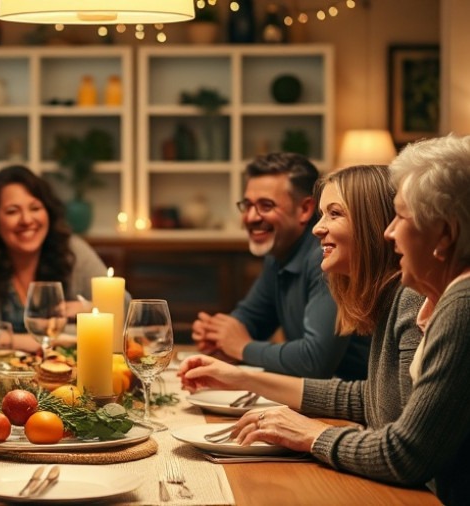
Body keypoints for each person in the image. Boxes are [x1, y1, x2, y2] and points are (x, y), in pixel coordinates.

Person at [184, 137, 470, 504]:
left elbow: (406, 454)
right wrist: (241, 376)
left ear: (443, 234)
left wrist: (311, 435)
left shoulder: (439, 300)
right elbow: (370, 397)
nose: (389, 232)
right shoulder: (403, 297)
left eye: (334, 214)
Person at [191, 152, 370, 380]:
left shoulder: (324, 256)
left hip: (353, 405)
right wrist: (217, 333)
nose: (251, 217)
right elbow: (252, 317)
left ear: (305, 210)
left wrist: (242, 347)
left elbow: (315, 361)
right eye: (247, 205)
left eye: (266, 206)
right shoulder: (278, 252)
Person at [0, 164, 125, 351]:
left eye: (35, 208)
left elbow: (123, 309)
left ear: (48, 212)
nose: (26, 220)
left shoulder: (72, 249)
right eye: (12, 211)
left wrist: (87, 307)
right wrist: (21, 341)